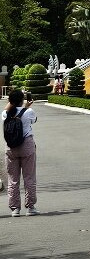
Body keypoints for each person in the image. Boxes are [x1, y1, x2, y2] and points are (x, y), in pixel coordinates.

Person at [4, 88, 39, 216]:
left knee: (13, 179)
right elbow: (34, 120)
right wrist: (26, 106)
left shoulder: (5, 114)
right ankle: (30, 207)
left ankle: (15, 209)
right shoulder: (29, 112)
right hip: (27, 146)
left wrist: (12, 101)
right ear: (22, 100)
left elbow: (6, 108)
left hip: (11, 148)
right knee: (29, 177)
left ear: (10, 101)